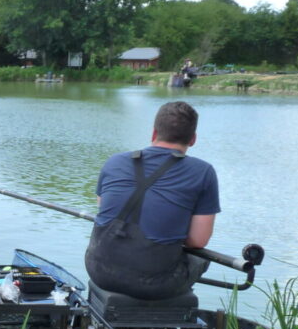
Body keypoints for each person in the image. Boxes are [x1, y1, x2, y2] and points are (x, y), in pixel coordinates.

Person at [84, 101, 219, 301]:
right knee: (199, 258)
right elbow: (197, 241)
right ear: (193, 139)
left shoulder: (114, 161)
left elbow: (103, 208)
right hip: (154, 284)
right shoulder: (203, 172)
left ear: (154, 134)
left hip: (98, 270)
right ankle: (160, 325)